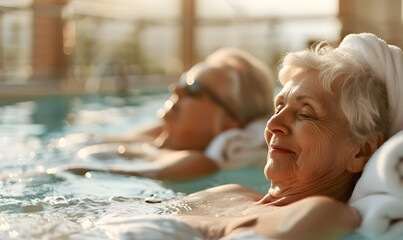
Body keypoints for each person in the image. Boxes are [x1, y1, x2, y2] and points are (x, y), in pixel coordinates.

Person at [97, 33, 400, 240]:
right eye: (278, 107)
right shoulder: (228, 193)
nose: (274, 124)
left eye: (305, 113)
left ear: (360, 152)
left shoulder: (323, 213)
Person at [67, 47, 275, 180]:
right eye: (185, 80)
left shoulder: (196, 163)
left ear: (228, 123)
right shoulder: (159, 135)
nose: (176, 89)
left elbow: (79, 167)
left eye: (194, 88)